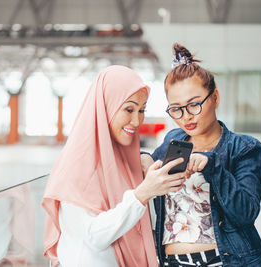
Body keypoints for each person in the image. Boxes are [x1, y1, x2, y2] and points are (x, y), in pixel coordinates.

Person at [42, 65, 187, 267]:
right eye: (129, 109)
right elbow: (93, 236)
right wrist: (142, 194)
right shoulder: (76, 164)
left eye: (142, 110)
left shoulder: (120, 161)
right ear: (105, 106)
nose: (136, 121)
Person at [141, 43, 261, 267]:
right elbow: (151, 170)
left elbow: (245, 214)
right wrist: (143, 157)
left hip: (225, 261)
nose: (186, 116)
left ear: (215, 97)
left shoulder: (245, 148)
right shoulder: (173, 142)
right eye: (176, 109)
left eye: (194, 104)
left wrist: (212, 166)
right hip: (172, 261)